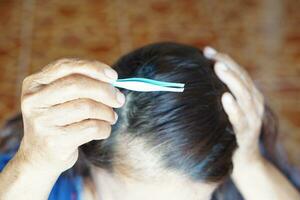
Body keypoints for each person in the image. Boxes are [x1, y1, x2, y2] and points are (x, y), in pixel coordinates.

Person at [0, 42, 299, 200]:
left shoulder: (243, 178)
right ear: (90, 157)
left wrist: (249, 164)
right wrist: (32, 166)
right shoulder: (40, 187)